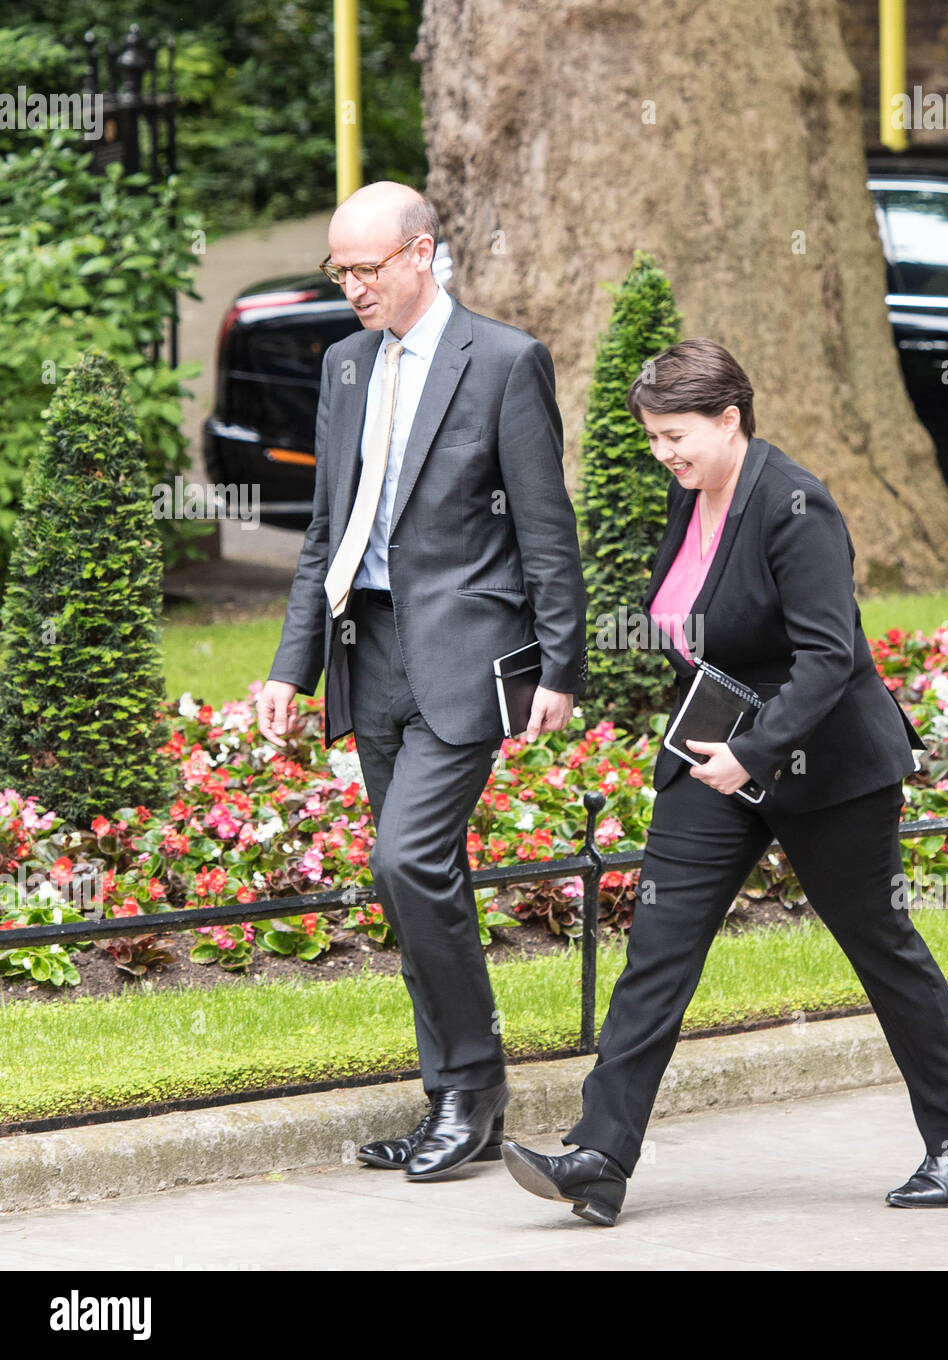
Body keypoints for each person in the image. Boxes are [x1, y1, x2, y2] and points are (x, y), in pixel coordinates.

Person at [501, 338, 948, 1225]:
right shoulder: (689, 495)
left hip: (825, 764)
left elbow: (829, 655)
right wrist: (718, 745)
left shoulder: (795, 504)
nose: (665, 453)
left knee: (881, 950)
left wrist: (757, 752)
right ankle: (600, 1157)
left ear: (731, 418)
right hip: (712, 751)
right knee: (657, 949)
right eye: (653, 437)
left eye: (677, 434)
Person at [256, 181, 586, 1182]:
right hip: (370, 653)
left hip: (465, 656)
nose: (351, 286)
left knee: (409, 860)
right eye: (338, 270)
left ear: (421, 254)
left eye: (365, 267)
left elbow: (545, 526)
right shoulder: (345, 365)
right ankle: (458, 1093)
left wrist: (562, 665)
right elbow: (327, 532)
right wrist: (289, 666)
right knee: (409, 884)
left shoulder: (503, 360)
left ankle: (468, 1090)